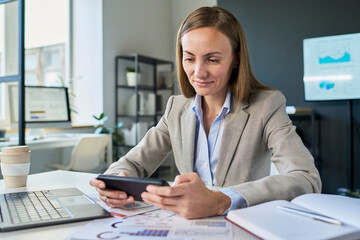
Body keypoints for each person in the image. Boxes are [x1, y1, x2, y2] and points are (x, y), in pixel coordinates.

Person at [90, 6, 321, 219]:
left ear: (236, 59)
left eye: (212, 59)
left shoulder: (267, 105)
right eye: (189, 58)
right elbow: (133, 163)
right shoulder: (176, 108)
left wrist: (222, 200)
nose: (198, 72)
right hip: (186, 226)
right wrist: (116, 182)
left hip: (242, 224)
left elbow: (306, 179)